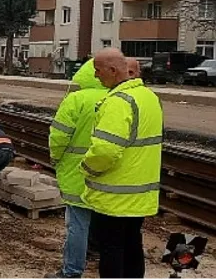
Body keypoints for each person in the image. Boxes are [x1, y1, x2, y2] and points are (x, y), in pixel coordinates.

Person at [82, 48, 163, 279]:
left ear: (113, 70)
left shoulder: (118, 102)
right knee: (132, 244)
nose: (96, 76)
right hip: (141, 192)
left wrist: (86, 168)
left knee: (111, 249)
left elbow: (106, 150)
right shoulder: (149, 97)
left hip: (115, 196)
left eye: (98, 70)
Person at [43, 58, 108, 279]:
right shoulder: (117, 98)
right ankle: (102, 259)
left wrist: (54, 158)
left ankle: (72, 271)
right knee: (107, 221)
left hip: (77, 171)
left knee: (77, 224)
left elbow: (59, 135)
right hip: (109, 173)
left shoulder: (76, 99)